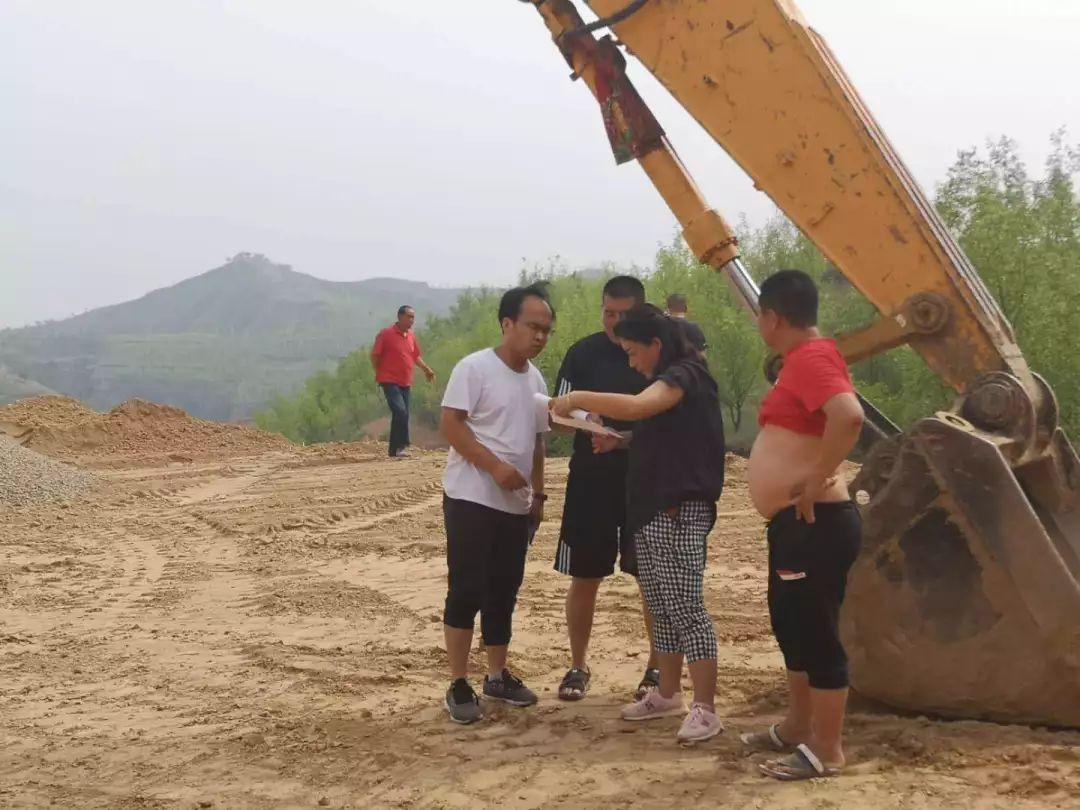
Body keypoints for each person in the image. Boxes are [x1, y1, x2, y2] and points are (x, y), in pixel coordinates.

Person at [551, 304, 726, 743]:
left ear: (656, 345)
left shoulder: (684, 375)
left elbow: (635, 407)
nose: (631, 362)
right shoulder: (666, 381)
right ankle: (667, 694)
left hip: (679, 509)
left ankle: (706, 706)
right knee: (663, 608)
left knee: (686, 607)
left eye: (633, 352)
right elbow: (655, 431)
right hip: (649, 508)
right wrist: (621, 442)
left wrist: (578, 399)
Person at [740, 270, 864, 780]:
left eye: (760, 317)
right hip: (795, 524)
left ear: (773, 317)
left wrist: (816, 478)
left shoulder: (813, 357)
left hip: (817, 520)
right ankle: (797, 725)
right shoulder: (801, 360)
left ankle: (827, 749)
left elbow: (849, 416)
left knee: (815, 634)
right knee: (791, 627)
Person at [439, 283, 554, 724]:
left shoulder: (536, 379)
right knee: (467, 587)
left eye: (546, 330)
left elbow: (538, 442)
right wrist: (494, 468)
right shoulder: (475, 369)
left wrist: (538, 494)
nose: (540, 337)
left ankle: (497, 675)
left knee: (504, 590)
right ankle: (457, 681)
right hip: (471, 497)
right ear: (507, 324)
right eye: (532, 327)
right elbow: (452, 425)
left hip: (516, 506)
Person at [551, 276, 660, 703]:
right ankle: (578, 665)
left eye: (623, 315)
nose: (615, 323)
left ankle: (656, 667)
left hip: (644, 481)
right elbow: (557, 411)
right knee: (585, 575)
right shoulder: (582, 352)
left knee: (650, 576)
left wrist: (626, 439)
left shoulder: (657, 357)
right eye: (608, 313)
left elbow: (670, 418)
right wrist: (587, 421)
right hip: (590, 479)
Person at [371, 305, 436, 458]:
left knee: (403, 414)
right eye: (409, 317)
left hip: (405, 382)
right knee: (400, 411)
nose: (412, 320)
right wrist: (379, 372)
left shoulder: (411, 337)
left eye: (413, 317)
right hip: (389, 380)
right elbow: (375, 355)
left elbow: (415, 356)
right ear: (400, 317)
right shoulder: (386, 334)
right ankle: (402, 446)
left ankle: (394, 450)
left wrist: (427, 369)